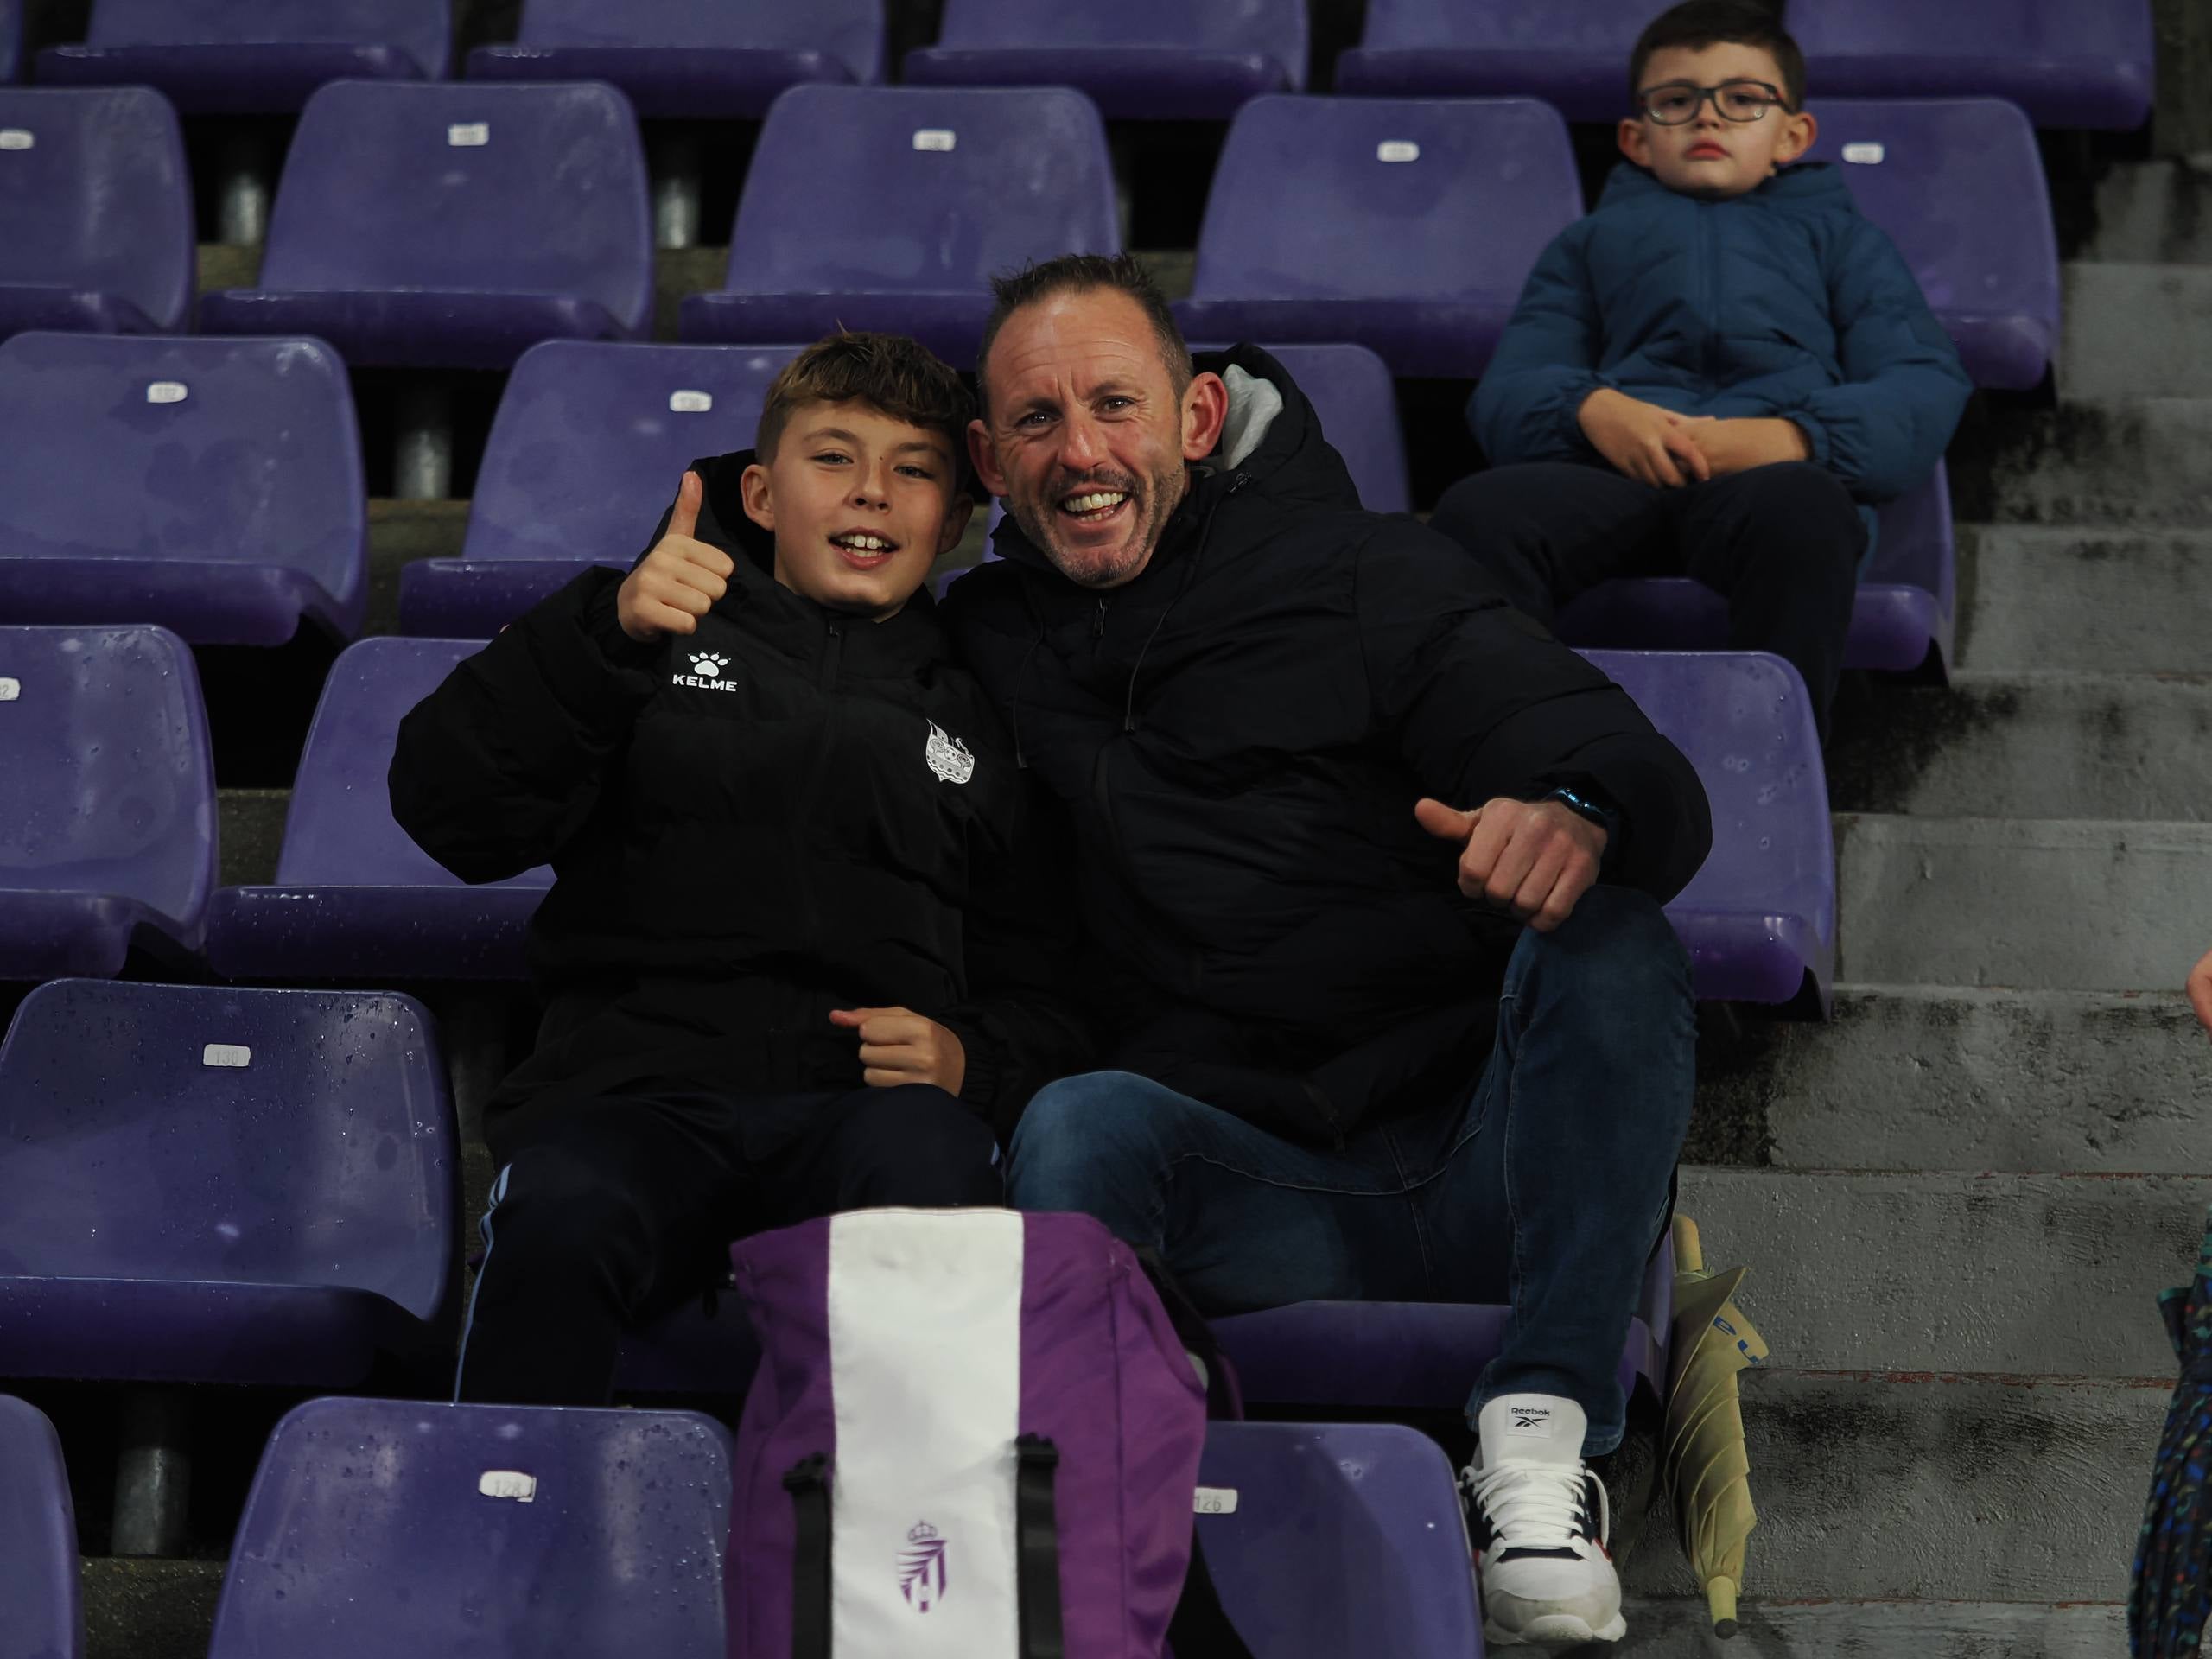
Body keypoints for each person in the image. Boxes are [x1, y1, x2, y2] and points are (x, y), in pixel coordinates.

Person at [941, 251, 1713, 1649]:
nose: (1081, 452)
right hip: (1252, 1184)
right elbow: (813, 556)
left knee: (1608, 931)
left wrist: (1572, 814)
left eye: (1114, 405)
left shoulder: (1371, 572)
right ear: (987, 461)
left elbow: (1634, 770)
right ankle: (1094, 1552)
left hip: (1486, 1149)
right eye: (1039, 423)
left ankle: (1541, 1452)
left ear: (1193, 416)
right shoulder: (982, 645)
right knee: (1079, 1124)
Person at [389, 332, 1090, 1408]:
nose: (871, 493)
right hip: (635, 1095)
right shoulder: (636, 622)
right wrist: (605, 640)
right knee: (560, 1210)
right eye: (832, 458)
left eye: (913, 470)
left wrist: (970, 1058)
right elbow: (448, 812)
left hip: (867, 1110)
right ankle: (500, 1538)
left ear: (953, 524)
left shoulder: (989, 710)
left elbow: (1051, 978)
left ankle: (924, 1561)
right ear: (759, 493)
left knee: (937, 1177)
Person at [1427, 0, 1973, 744]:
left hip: (1766, 487)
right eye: (1677, 101)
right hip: (1615, 477)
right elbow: (1512, 385)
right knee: (1477, 513)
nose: (1708, 119)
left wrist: (1794, 438)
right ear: (1636, 139)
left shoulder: (1846, 242)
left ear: (1793, 134)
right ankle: (1518, 763)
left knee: (1808, 513)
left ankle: (1775, 765)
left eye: (1742, 100)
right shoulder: (1588, 244)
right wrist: (1593, 411)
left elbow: (1921, 381)